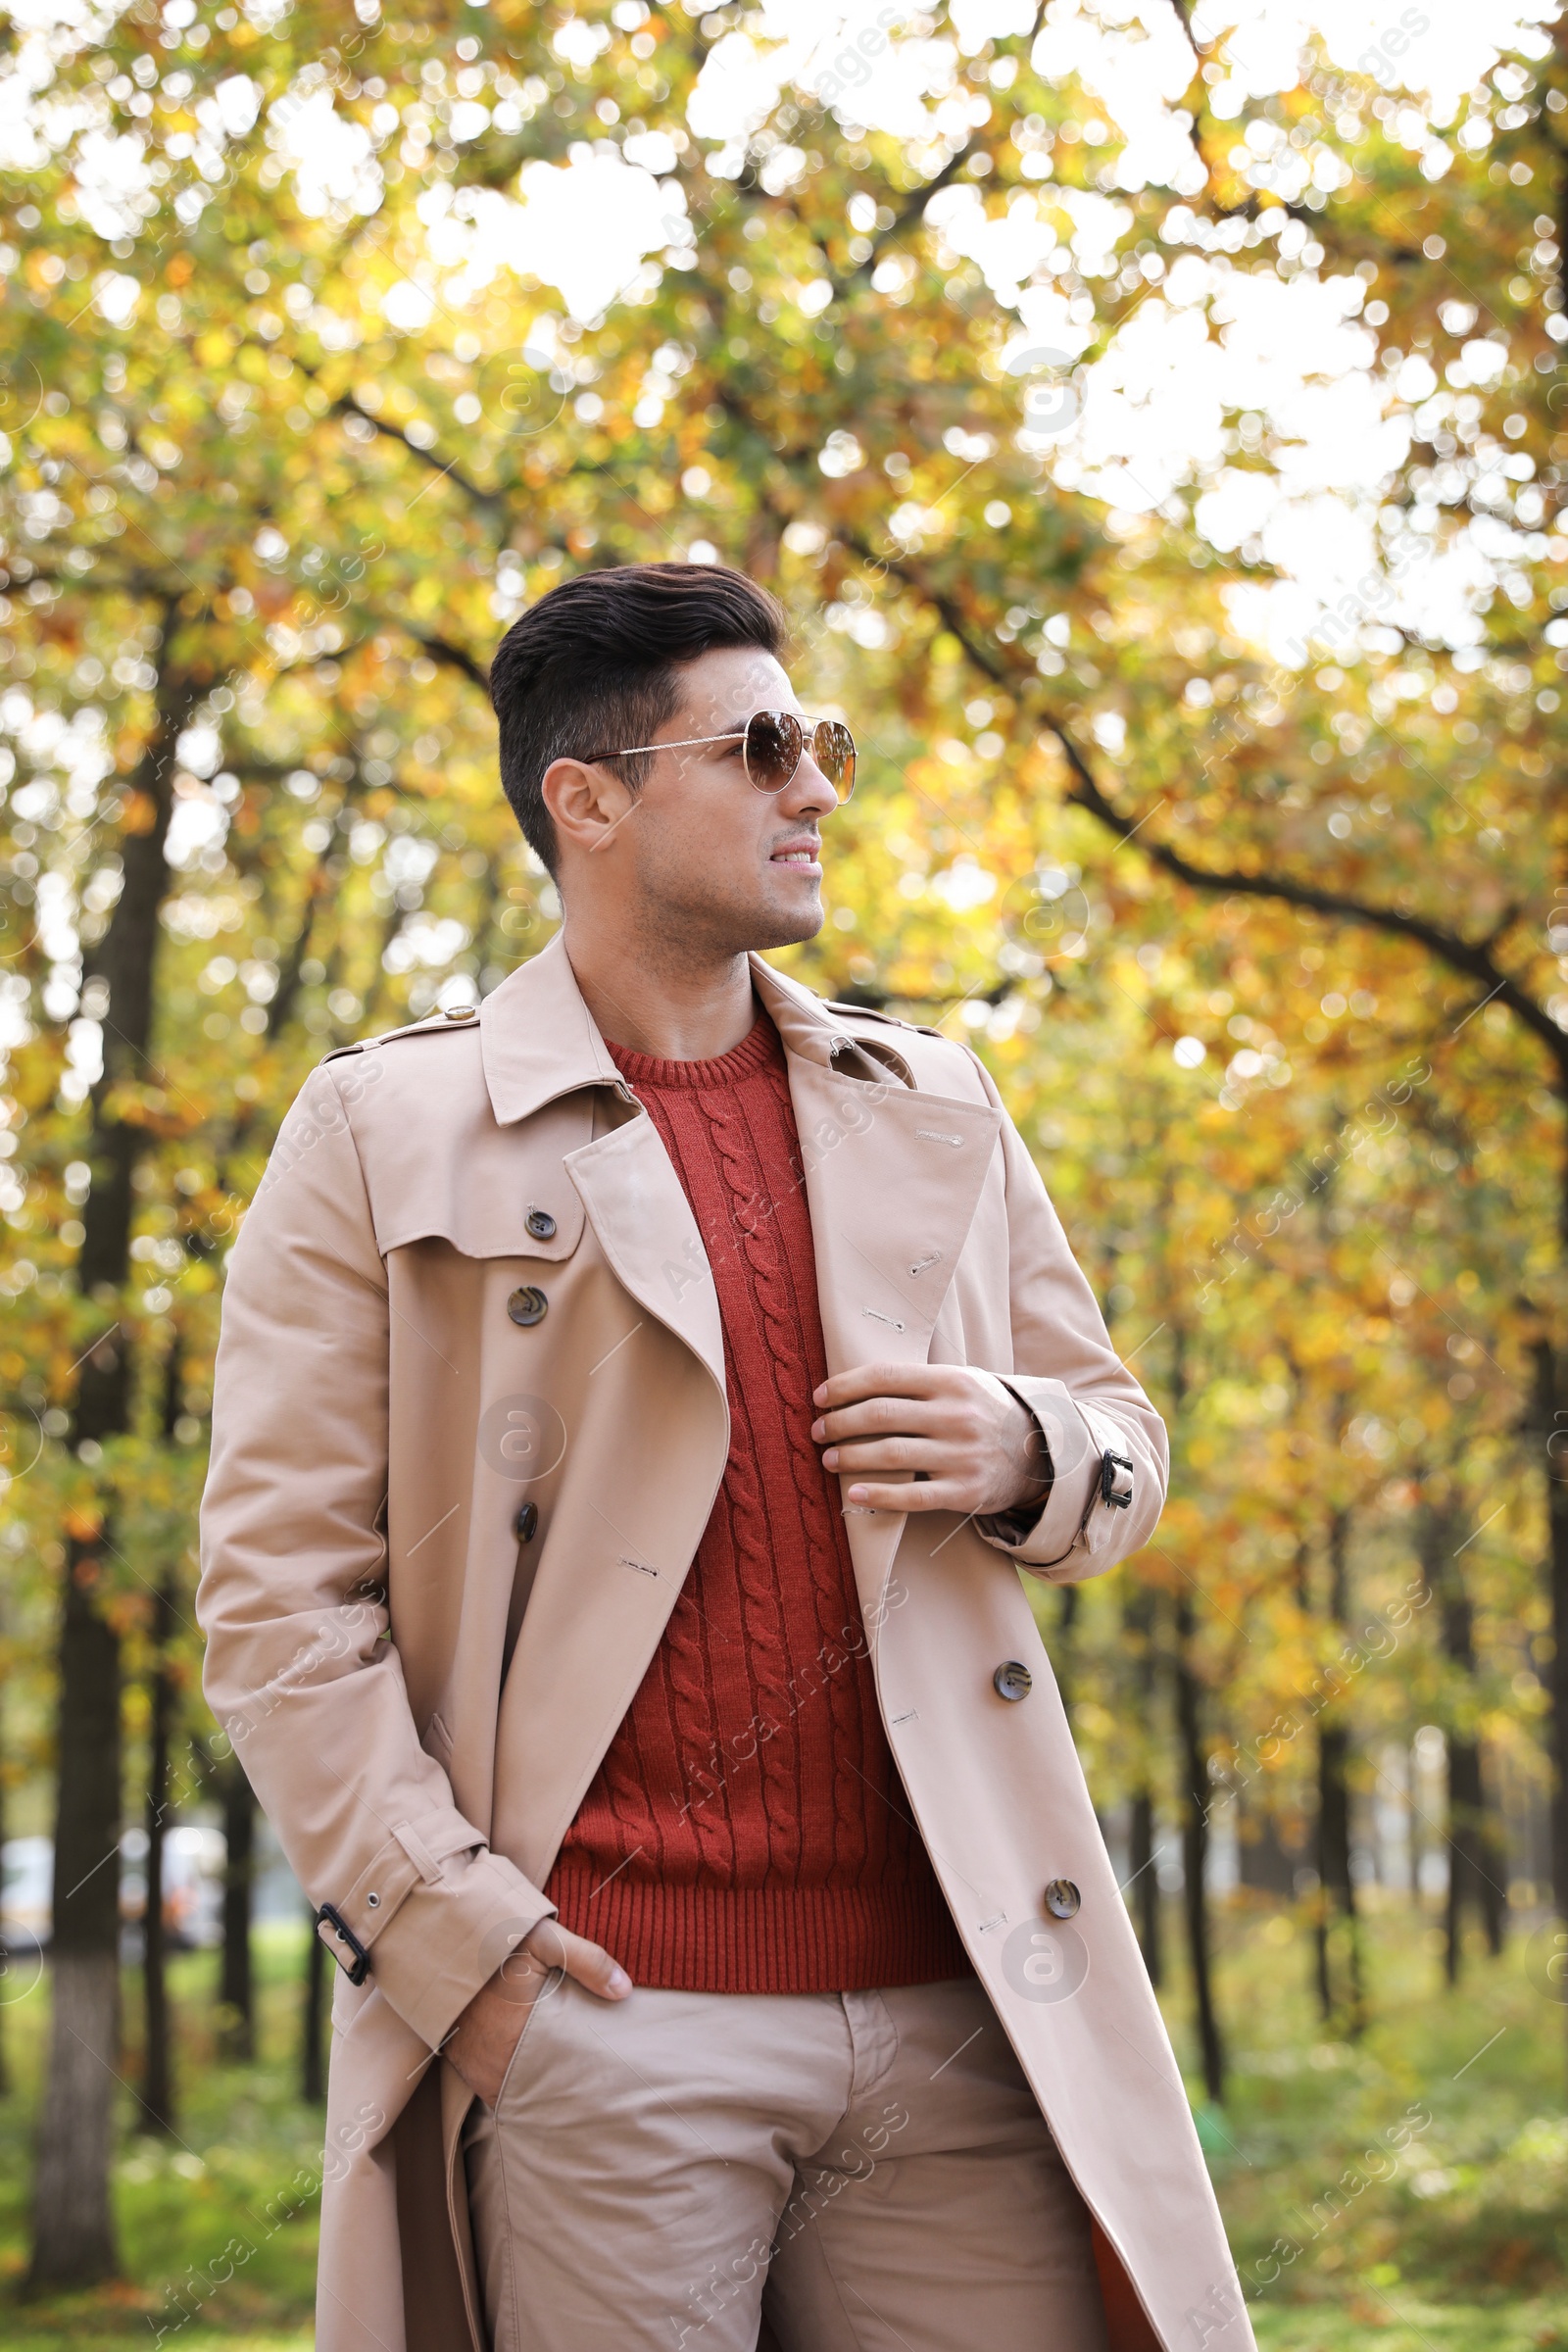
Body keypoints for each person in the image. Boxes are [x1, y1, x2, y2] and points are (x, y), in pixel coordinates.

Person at [198, 563, 1253, 2352]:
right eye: (762, 746)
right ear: (587, 800)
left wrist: (1025, 1442)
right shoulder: (383, 1125)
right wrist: (465, 1949)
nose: (816, 787)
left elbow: (1119, 1439)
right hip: (603, 2012)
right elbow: (280, 1593)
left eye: (819, 741)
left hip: (962, 2004)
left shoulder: (935, 1105)